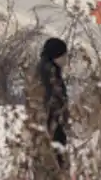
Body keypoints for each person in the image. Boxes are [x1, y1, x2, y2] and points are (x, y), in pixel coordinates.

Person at [37, 37, 70, 172]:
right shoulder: (50, 73)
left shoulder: (47, 69)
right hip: (52, 122)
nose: (66, 59)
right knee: (56, 159)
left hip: (48, 122)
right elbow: (54, 99)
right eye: (64, 55)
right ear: (56, 55)